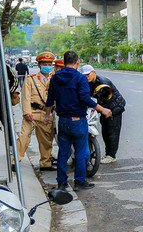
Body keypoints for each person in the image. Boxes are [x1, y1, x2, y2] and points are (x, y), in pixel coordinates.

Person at [44, 51, 112, 191]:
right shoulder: (80, 78)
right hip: (78, 120)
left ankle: (62, 183)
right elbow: (85, 99)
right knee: (81, 152)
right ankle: (79, 182)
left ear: (64, 61)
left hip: (62, 120)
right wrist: (103, 109)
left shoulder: (56, 77)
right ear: (77, 62)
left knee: (63, 152)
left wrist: (47, 115)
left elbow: (50, 98)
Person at [15, 52, 57, 171]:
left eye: (50, 64)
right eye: (45, 64)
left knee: (46, 140)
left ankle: (45, 163)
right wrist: (26, 112)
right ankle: (15, 160)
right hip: (32, 112)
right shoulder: (30, 79)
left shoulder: (55, 79)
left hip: (46, 114)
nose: (47, 66)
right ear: (39, 65)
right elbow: (26, 97)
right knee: (24, 136)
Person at [82, 65, 126, 164]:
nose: (86, 77)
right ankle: (108, 154)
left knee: (112, 132)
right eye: (84, 75)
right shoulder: (89, 82)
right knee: (105, 132)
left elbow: (101, 100)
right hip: (104, 109)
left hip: (114, 108)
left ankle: (111, 155)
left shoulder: (103, 83)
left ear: (94, 72)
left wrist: (101, 110)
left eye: (88, 74)